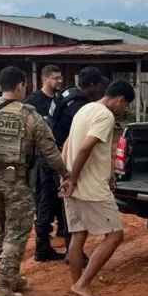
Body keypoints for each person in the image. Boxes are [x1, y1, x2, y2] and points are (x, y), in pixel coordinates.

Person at [0, 66, 73, 296]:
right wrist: (66, 174)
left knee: (0, 230)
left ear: (0, 86)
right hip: (18, 183)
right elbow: (50, 152)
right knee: (17, 233)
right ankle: (3, 287)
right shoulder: (30, 116)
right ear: (21, 85)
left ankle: (10, 277)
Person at [61, 80, 135, 296]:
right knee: (115, 235)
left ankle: (77, 289)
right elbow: (86, 147)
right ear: (120, 100)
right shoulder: (105, 116)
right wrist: (73, 178)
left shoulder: (85, 109)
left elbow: (67, 145)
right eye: (125, 105)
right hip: (91, 187)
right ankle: (82, 284)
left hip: (72, 185)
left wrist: (65, 177)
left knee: (78, 235)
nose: (123, 110)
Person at [48, 66, 109, 266]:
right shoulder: (79, 105)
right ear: (91, 86)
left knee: (53, 202)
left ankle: (48, 246)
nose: (101, 90)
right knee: (67, 204)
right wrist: (71, 175)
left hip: (53, 152)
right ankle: (70, 250)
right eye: (99, 85)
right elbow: (82, 143)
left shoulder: (67, 93)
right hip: (61, 155)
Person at [26, 65, 66, 262]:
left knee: (61, 199)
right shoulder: (32, 101)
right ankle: (42, 247)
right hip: (42, 160)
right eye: (55, 78)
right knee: (44, 201)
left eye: (60, 77)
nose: (59, 81)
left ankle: (64, 236)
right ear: (45, 79)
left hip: (60, 156)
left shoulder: (60, 100)